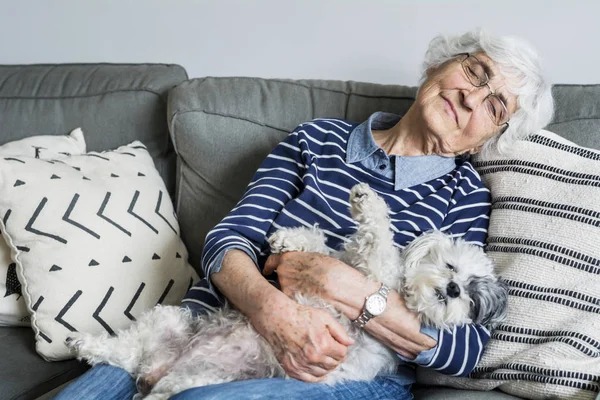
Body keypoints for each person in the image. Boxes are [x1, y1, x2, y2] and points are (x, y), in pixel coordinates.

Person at [54, 29, 553, 400]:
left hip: (342, 372)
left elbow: (465, 347)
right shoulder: (318, 140)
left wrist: (351, 290)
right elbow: (230, 240)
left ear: (489, 139)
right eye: (475, 72)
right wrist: (272, 311)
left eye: (494, 106)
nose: (471, 97)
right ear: (437, 66)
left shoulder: (464, 194)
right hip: (211, 323)